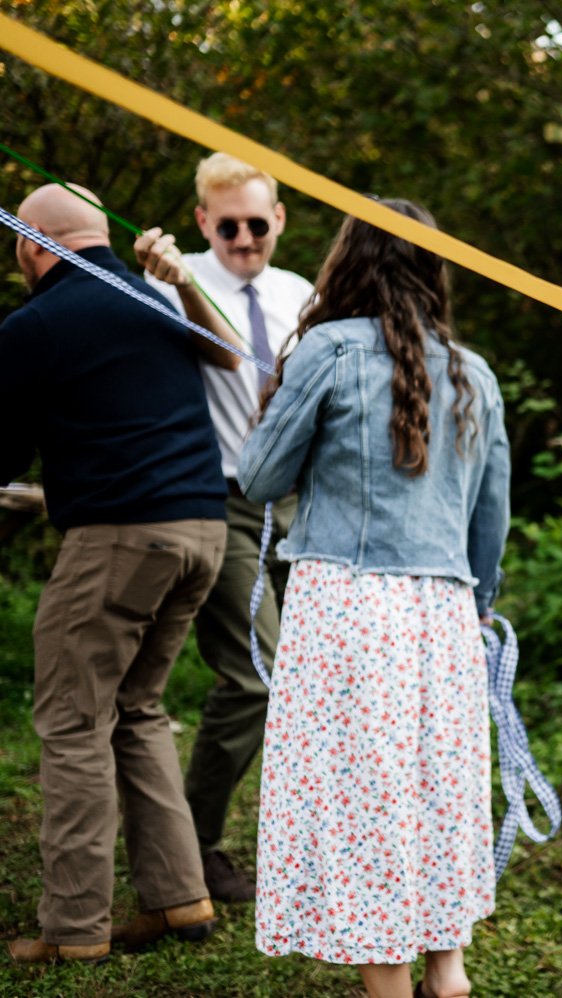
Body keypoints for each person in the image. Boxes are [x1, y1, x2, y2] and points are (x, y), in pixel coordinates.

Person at [238, 198, 509, 998]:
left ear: (347, 259)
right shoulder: (476, 372)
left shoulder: (324, 351)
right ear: (433, 269)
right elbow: (489, 521)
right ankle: (446, 971)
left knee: (364, 797)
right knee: (435, 788)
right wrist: (479, 601)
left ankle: (389, 985)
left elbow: (257, 477)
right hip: (445, 610)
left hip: (347, 607)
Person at [0, 184, 243, 963]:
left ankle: (73, 931)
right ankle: (180, 899)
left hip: (120, 541)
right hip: (203, 528)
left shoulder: (35, 324)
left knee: (73, 722)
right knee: (136, 709)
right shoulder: (159, 300)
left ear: (35, 244)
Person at [144, 152, 316, 903]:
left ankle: (310, 838)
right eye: (227, 226)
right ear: (201, 223)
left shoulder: (301, 293)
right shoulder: (170, 278)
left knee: (312, 677)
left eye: (256, 223)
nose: (243, 239)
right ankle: (196, 848)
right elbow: (208, 354)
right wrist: (179, 279)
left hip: (299, 502)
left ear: (278, 219)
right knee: (255, 677)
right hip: (218, 496)